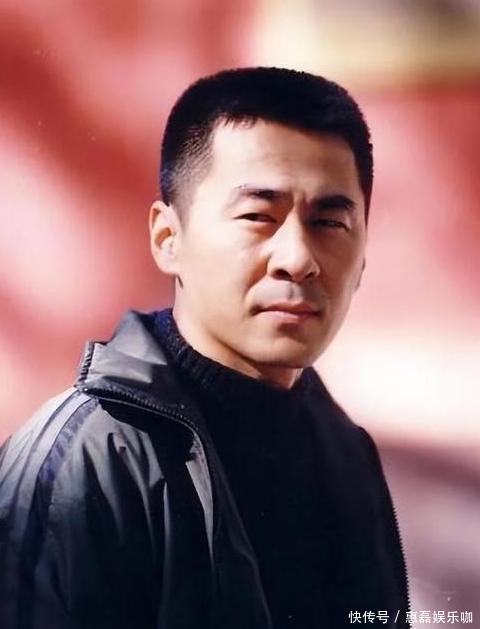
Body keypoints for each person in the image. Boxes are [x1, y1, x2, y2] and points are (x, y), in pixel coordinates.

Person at [0, 67, 410, 629]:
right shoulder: (85, 465)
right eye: (258, 217)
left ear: (363, 257)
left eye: (329, 222)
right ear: (168, 239)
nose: (298, 259)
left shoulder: (345, 450)